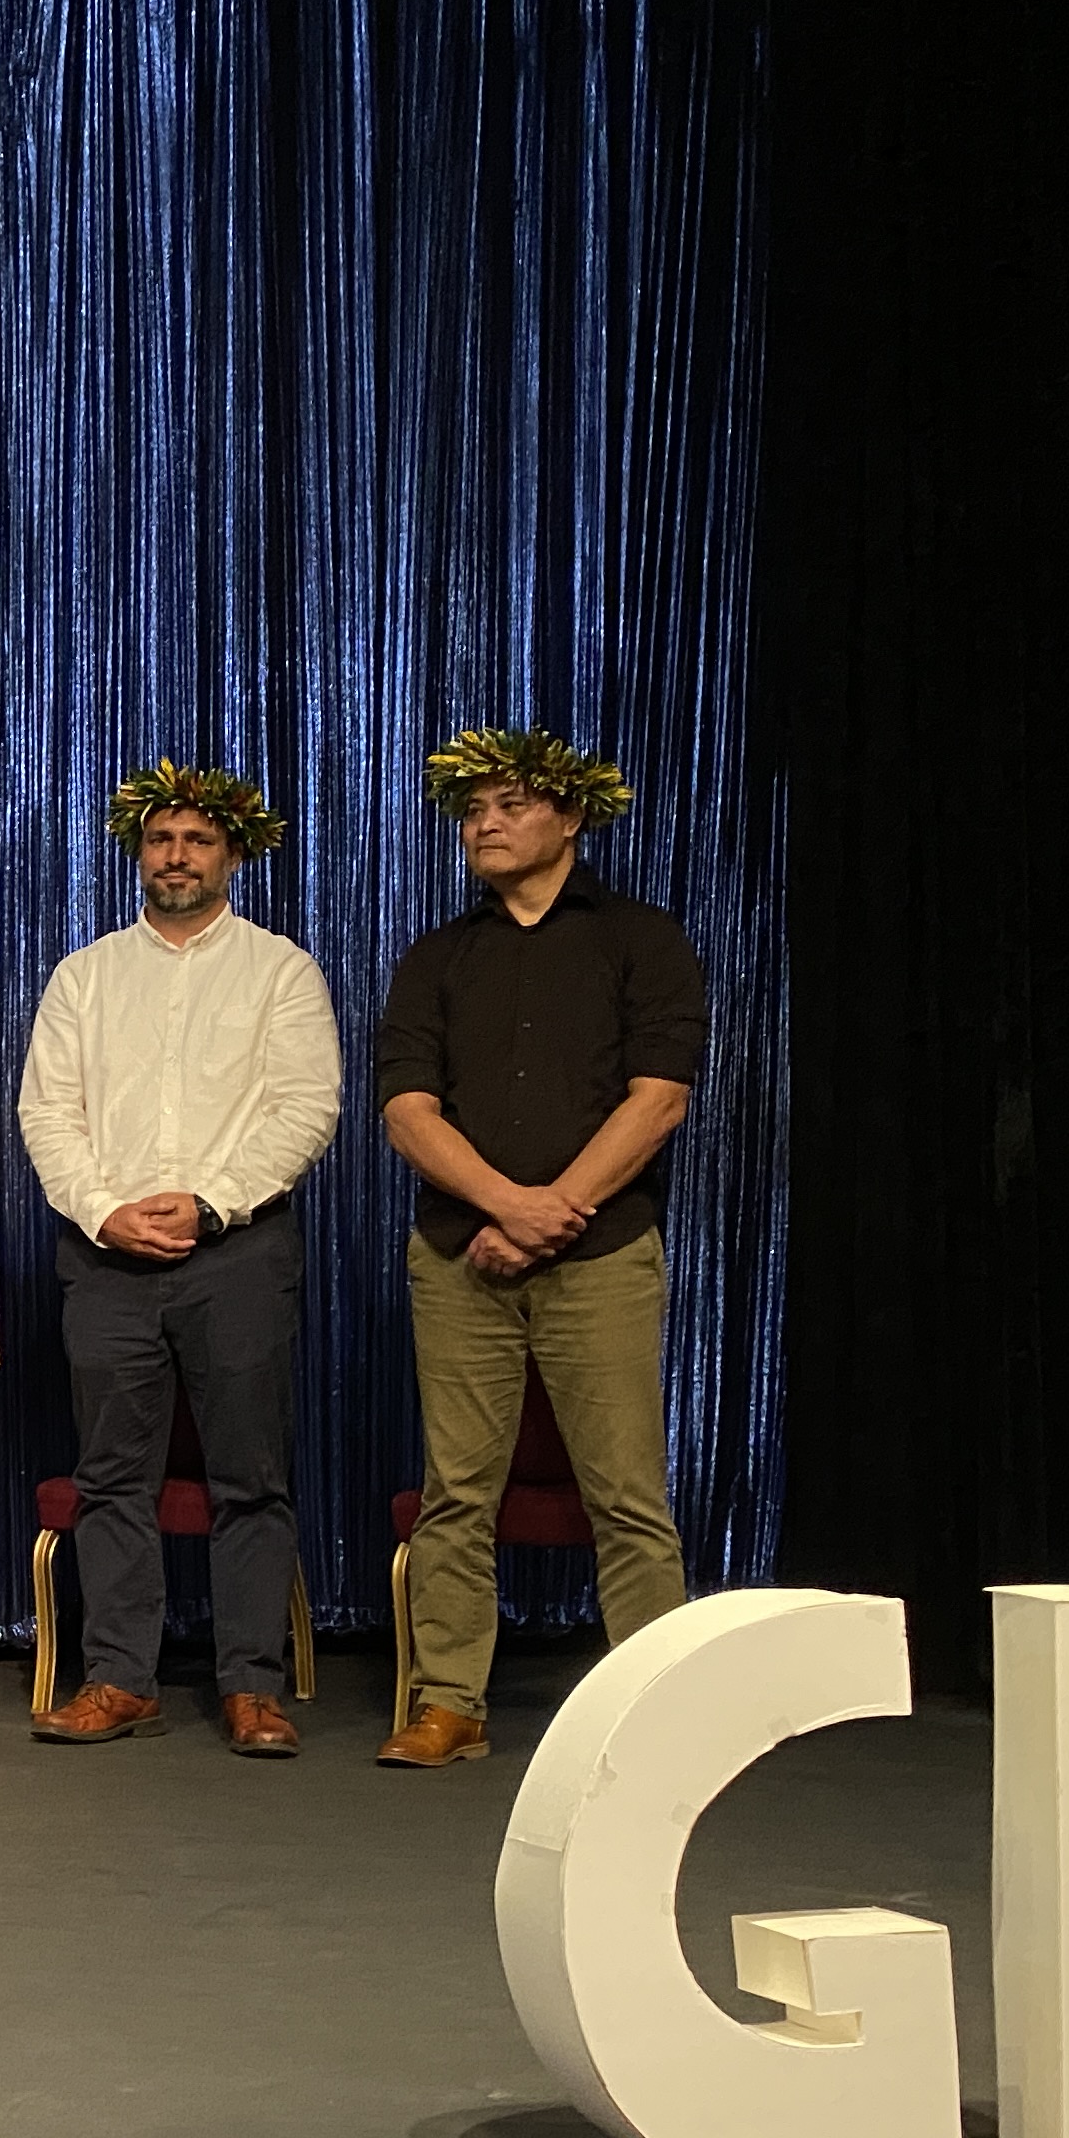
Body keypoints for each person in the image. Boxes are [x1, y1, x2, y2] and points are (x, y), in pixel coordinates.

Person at [374, 727, 707, 1767]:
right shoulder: (438, 955)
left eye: (511, 806)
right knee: (457, 1489)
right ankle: (450, 1704)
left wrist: (557, 1207)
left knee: (625, 1493)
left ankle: (659, 1716)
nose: (486, 824)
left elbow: (658, 1100)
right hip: (459, 1253)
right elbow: (407, 1109)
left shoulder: (642, 941)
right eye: (473, 812)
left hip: (600, 1255)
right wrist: (505, 1206)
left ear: (570, 817)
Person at [15, 762, 343, 1758]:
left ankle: (252, 1688)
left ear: (233, 855)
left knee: (250, 1473)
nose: (177, 856)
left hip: (236, 1252)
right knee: (113, 1475)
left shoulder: (280, 970)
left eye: (198, 841)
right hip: (107, 1258)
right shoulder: (86, 975)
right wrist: (107, 1211)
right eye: (161, 841)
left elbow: (306, 1105)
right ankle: (121, 1677)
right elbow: (47, 1111)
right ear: (137, 853)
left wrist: (209, 1203)